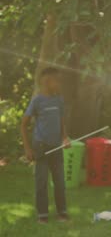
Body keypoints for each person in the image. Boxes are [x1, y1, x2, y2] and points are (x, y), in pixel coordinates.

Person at [20, 67, 71, 224]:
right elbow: (23, 125)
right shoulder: (37, 101)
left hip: (56, 148)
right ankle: (42, 215)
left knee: (60, 182)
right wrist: (28, 148)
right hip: (40, 147)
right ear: (47, 81)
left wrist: (65, 138)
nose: (60, 84)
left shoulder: (59, 100)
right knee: (41, 183)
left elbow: (61, 121)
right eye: (57, 81)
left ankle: (62, 213)